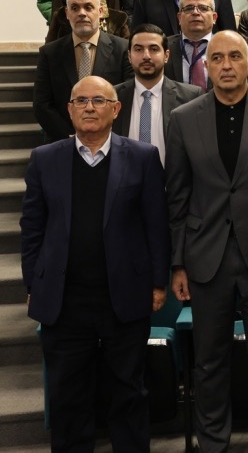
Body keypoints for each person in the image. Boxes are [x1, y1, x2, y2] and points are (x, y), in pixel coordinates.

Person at [165, 30, 248, 452]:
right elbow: (177, 196)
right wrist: (177, 263)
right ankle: (212, 443)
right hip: (205, 257)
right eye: (217, 57)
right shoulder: (183, 118)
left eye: (235, 57)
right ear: (206, 65)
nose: (226, 65)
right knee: (209, 361)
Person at [21, 75, 169, 453]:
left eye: (99, 101)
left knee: (128, 395)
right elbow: (32, 228)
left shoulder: (143, 157)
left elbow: (156, 226)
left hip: (124, 298)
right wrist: (33, 284)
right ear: (69, 110)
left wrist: (158, 283)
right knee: (68, 399)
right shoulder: (44, 159)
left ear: (115, 109)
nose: (89, 107)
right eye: (81, 101)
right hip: (65, 301)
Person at [33, 0, 132, 141]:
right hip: (63, 141)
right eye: (75, 8)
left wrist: (104, 134)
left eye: (88, 7)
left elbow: (128, 98)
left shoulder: (123, 49)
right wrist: (71, 137)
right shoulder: (50, 53)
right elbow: (42, 104)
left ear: (101, 12)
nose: (82, 13)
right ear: (67, 13)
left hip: (110, 140)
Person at [113, 24, 203, 164]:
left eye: (154, 49)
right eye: (138, 49)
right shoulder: (113, 96)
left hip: (170, 177)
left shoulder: (190, 97)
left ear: (166, 55)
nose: (146, 56)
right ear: (129, 56)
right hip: (124, 176)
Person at [164, 0, 218, 89]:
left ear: (214, 18)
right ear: (179, 18)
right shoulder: (164, 46)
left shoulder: (228, 46)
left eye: (203, 8)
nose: (195, 12)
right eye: (189, 8)